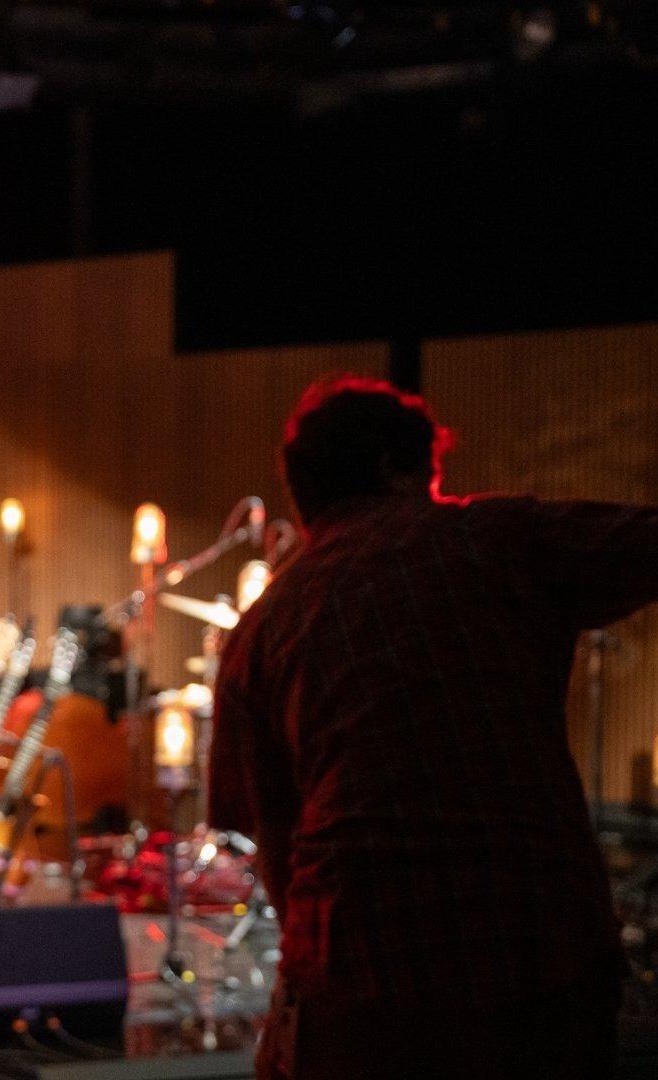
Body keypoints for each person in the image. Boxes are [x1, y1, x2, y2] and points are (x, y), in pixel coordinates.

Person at [210, 376, 638, 1080]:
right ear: (396, 469)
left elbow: (268, 836)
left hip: (358, 982)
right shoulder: (495, 536)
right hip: (540, 955)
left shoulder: (260, 629)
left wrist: (303, 988)